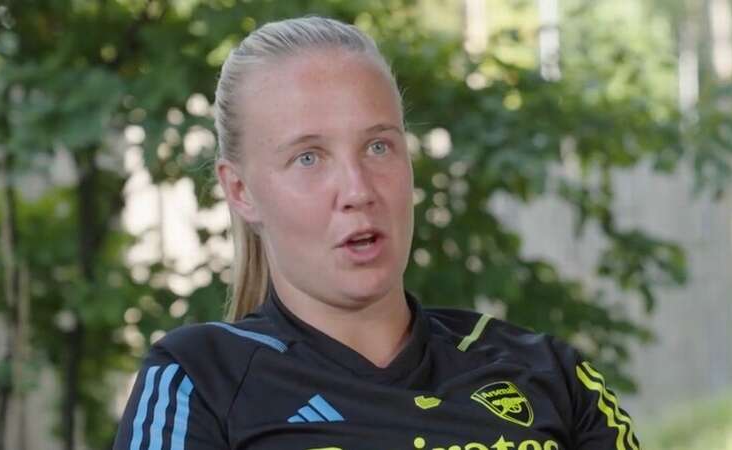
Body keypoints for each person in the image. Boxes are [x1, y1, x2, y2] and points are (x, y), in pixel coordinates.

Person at [113, 16, 641, 450]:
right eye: (307, 158)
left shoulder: (548, 375)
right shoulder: (197, 382)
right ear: (241, 191)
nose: (357, 189)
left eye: (378, 146)